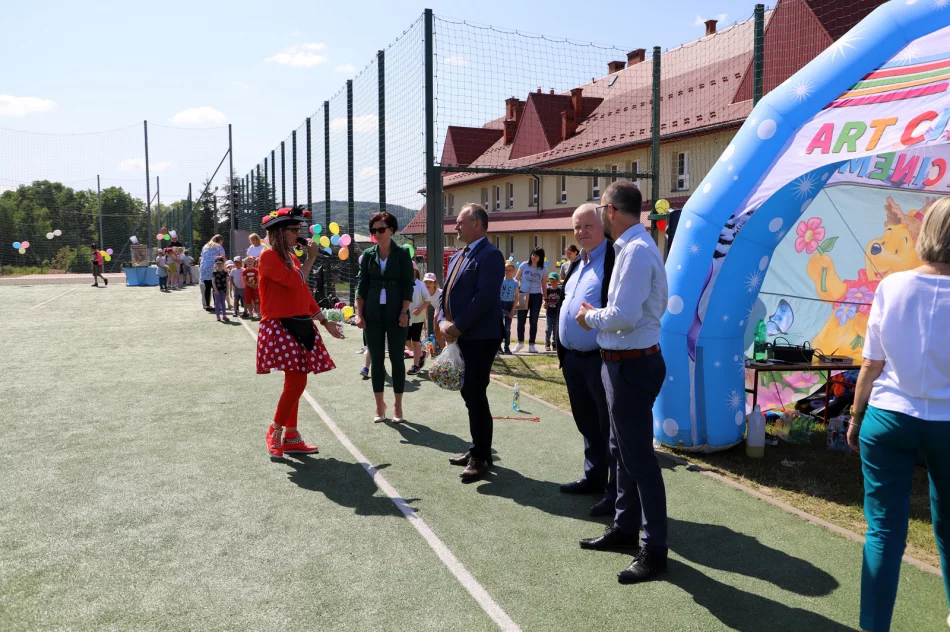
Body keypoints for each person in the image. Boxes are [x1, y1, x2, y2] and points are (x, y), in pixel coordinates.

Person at [846, 198, 950, 632]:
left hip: (888, 417)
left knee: (884, 532)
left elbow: (871, 364)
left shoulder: (893, 285)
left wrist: (855, 417)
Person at [576, 181, 669, 584]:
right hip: (622, 365)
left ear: (611, 210)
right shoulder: (631, 247)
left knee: (639, 460)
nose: (599, 216)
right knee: (623, 452)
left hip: (632, 366)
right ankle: (625, 527)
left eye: (601, 210)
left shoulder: (635, 251)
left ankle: (654, 550)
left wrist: (589, 317)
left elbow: (624, 316)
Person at [257, 205, 344, 459]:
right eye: (294, 230)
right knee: (297, 382)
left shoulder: (292, 260)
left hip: (302, 324)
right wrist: (311, 259)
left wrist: (324, 321)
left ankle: (291, 436)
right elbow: (294, 281)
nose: (299, 234)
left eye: (298, 229)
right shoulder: (268, 257)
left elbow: (303, 292)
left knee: (294, 382)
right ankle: (274, 430)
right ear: (279, 232)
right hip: (280, 326)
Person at [555, 202, 617, 517]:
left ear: (603, 224)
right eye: (577, 227)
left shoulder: (615, 259)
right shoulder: (578, 262)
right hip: (573, 358)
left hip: (600, 359)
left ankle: (615, 493)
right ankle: (594, 478)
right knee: (586, 421)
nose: (581, 232)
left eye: (588, 225)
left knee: (609, 427)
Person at [440, 203, 505, 483]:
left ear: (477, 224)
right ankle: (478, 449)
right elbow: (445, 293)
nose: (456, 226)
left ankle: (480, 456)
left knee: (475, 393)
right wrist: (442, 321)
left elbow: (484, 299)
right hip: (461, 336)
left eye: (460, 222)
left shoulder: (491, 255)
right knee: (469, 394)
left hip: (480, 338)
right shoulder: (458, 255)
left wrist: (456, 327)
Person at [355, 211, 414, 424]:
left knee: (397, 359)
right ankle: (380, 406)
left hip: (397, 313)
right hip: (372, 314)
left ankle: (398, 406)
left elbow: (408, 284)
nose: (377, 234)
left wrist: (404, 311)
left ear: (391, 230)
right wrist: (359, 314)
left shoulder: (402, 253)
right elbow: (361, 286)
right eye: (373, 230)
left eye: (381, 229)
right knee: (377, 360)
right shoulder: (368, 254)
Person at [514, 247, 547, 353]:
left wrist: (545, 298)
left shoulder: (543, 269)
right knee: (521, 320)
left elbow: (544, 284)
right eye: (533, 254)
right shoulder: (524, 265)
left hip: (536, 296)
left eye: (536, 256)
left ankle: (532, 344)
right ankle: (520, 343)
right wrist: (514, 292)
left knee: (533, 321)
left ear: (540, 257)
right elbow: (516, 279)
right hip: (523, 294)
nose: (533, 257)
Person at [408, 268, 429, 375]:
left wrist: (420, 309)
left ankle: (416, 366)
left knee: (416, 342)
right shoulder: (403, 283)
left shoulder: (421, 285)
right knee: (406, 342)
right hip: (405, 317)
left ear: (416, 272)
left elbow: (428, 300)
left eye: (413, 270)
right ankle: (421, 354)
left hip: (417, 319)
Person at [200, 235, 226, 311]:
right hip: (213, 267)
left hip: (204, 268)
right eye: (222, 242)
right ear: (220, 240)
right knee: (215, 287)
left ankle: (207, 305)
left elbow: (202, 256)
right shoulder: (219, 246)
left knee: (207, 287)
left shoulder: (205, 246)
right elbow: (222, 257)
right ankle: (217, 305)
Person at [499, 262, 519, 354]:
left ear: (513, 271)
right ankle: (498, 347)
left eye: (509, 270)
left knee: (507, 327)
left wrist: (513, 309)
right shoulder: (501, 280)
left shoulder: (515, 282)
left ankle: (507, 347)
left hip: (509, 305)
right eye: (506, 270)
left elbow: (516, 297)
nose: (507, 272)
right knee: (499, 326)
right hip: (500, 304)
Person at [422, 272, 445, 352]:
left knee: (444, 331)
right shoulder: (425, 294)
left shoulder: (441, 293)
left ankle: (447, 347)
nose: (428, 284)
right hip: (438, 310)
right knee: (436, 330)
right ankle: (443, 349)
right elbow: (425, 308)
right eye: (426, 282)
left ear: (434, 283)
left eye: (430, 282)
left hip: (445, 311)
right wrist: (424, 323)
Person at [543, 273, 561, 352]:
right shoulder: (548, 290)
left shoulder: (560, 291)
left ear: (557, 281)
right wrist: (545, 304)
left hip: (557, 312)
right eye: (551, 281)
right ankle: (547, 343)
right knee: (548, 328)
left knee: (556, 328)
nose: (552, 283)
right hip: (549, 312)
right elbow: (545, 301)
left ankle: (555, 344)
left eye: (554, 281)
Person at [212, 257, 229, 322]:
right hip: (217, 290)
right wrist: (215, 289)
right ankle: (218, 316)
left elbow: (227, 282)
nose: (219, 264)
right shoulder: (214, 272)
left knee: (223, 302)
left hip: (223, 289)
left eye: (220, 263)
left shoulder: (225, 272)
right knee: (217, 303)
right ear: (216, 264)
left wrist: (227, 290)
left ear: (223, 264)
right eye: (218, 263)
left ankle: (224, 315)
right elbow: (213, 282)